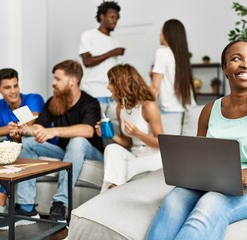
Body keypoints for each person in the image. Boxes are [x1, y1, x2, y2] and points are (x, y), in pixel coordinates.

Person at [146, 40, 247, 239]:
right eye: (236, 58)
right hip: (216, 182)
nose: (246, 64)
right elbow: (200, 157)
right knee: (173, 200)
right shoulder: (209, 111)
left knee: (211, 203)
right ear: (225, 68)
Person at [0, 60, 104, 230]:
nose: (53, 83)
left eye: (57, 79)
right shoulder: (54, 101)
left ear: (72, 81)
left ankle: (60, 203)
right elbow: (39, 126)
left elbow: (88, 131)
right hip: (65, 152)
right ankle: (26, 209)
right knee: (28, 144)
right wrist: (23, 130)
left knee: (78, 141)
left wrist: (54, 132)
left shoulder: (90, 103)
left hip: (91, 152)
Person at [0, 68, 44, 227]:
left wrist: (16, 128)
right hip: (10, 144)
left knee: (20, 146)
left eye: (16, 86)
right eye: (8, 87)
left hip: (31, 143)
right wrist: (6, 129)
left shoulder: (33, 99)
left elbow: (30, 123)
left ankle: (0, 200)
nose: (14, 91)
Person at [96, 64, 164, 192]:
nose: (107, 86)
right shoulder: (120, 108)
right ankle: (114, 190)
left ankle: (110, 191)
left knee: (124, 167)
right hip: (135, 154)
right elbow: (127, 143)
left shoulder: (148, 106)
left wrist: (138, 134)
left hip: (153, 156)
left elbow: (161, 144)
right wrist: (111, 135)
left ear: (122, 83)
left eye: (111, 81)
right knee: (111, 148)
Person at [150, 19, 196, 134]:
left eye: (161, 31)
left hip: (169, 113)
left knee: (166, 151)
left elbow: (155, 88)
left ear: (168, 34)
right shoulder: (182, 55)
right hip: (186, 112)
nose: (159, 34)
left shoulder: (162, 52)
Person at [79, 0, 125, 111]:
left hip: (113, 95)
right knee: (94, 128)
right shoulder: (89, 35)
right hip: (93, 93)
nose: (115, 21)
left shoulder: (116, 42)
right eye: (112, 17)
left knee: (114, 128)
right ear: (102, 16)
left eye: (117, 18)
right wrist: (113, 52)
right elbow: (87, 61)